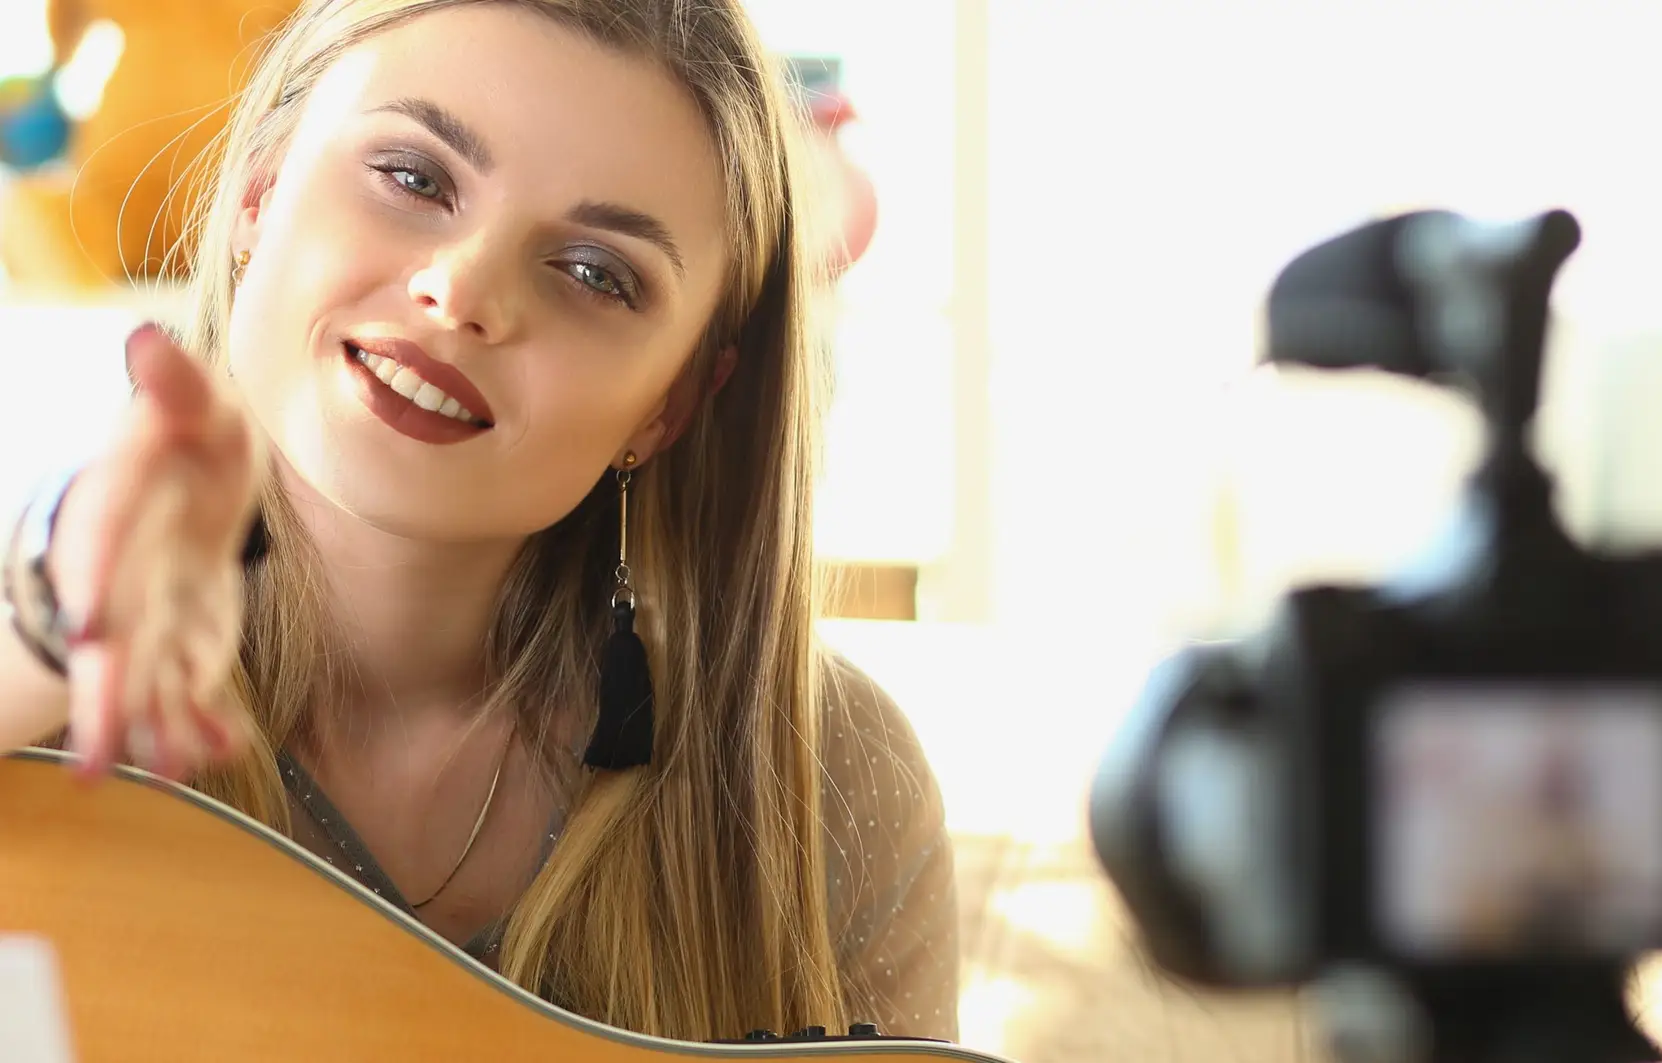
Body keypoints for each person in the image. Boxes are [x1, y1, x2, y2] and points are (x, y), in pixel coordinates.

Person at [0, 0, 958, 1045]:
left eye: (596, 273)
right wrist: (48, 621)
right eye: (414, 179)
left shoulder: (825, 782)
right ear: (260, 192)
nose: (461, 292)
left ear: (669, 403)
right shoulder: (35, 642)